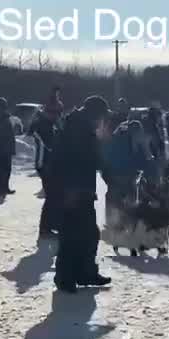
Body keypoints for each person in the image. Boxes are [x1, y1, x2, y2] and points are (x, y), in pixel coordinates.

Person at [52, 95, 112, 294]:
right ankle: (65, 277)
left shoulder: (79, 126)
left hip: (82, 189)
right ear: (94, 114)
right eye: (101, 116)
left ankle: (85, 273)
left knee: (88, 234)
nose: (101, 121)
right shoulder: (77, 129)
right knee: (72, 235)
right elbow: (85, 159)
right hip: (72, 190)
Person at [31, 97, 62, 239]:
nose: (57, 116)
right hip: (44, 164)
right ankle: (45, 228)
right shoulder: (42, 124)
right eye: (55, 113)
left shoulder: (49, 123)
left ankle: (52, 224)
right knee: (51, 196)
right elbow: (50, 144)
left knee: (55, 195)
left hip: (51, 163)